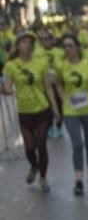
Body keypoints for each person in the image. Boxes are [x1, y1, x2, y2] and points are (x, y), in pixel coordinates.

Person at [1, 32, 57, 193]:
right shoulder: (11, 66)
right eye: (24, 42)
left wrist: (54, 107)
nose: (28, 45)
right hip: (24, 111)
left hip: (42, 109)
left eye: (30, 42)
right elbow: (8, 88)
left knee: (41, 143)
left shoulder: (41, 63)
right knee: (29, 147)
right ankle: (34, 166)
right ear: (18, 45)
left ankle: (43, 178)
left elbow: (48, 87)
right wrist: (4, 89)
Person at [56, 34, 88, 195]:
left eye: (70, 45)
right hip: (71, 111)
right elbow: (57, 84)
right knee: (77, 144)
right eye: (65, 46)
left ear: (77, 47)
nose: (67, 49)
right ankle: (78, 180)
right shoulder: (61, 66)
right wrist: (64, 99)